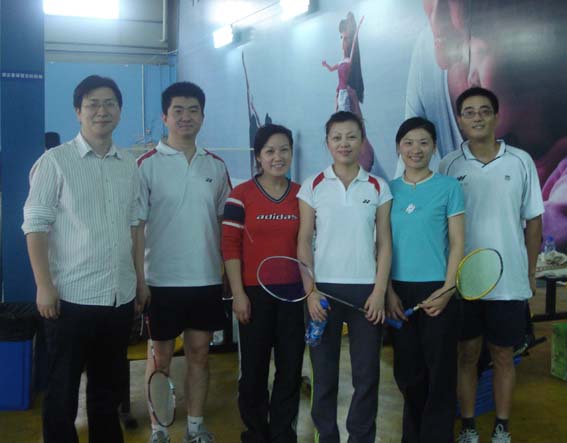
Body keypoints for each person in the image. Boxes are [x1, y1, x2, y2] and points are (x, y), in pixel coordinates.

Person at [22, 75, 142, 443]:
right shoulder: (54, 162)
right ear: (78, 111)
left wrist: (140, 280)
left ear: (119, 111)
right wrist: (44, 286)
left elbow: (134, 225)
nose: (101, 111)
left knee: (107, 391)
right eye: (92, 104)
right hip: (70, 299)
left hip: (118, 297)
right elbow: (35, 227)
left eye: (109, 103)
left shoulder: (129, 164)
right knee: (61, 393)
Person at [439, 87, 543, 443]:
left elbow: (533, 222)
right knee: (466, 354)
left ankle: (501, 427)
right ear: (459, 120)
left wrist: (529, 273)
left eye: (485, 110)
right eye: (469, 112)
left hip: (508, 282)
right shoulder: (449, 165)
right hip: (464, 282)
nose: (477, 117)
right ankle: (468, 426)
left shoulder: (521, 161)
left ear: (497, 117)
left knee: (503, 355)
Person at [136, 81, 231, 443]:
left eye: (193, 110)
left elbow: (224, 223)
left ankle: (195, 427)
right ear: (165, 117)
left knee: (200, 354)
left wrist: (225, 271)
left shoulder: (216, 166)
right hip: (160, 281)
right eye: (178, 110)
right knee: (159, 358)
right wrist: (140, 279)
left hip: (205, 279)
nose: (186, 117)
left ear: (203, 116)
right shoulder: (146, 165)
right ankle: (159, 429)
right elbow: (136, 228)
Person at [297, 111, 392, 443]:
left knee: (367, 376)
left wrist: (379, 292)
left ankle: (361, 438)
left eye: (351, 136)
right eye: (337, 137)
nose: (344, 143)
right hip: (322, 294)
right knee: (324, 376)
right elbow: (303, 241)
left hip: (367, 294)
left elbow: (384, 243)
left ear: (362, 141)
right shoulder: (313, 186)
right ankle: (326, 436)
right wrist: (310, 291)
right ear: (327, 143)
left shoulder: (378, 187)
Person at [222, 124, 304, 443]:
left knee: (290, 367)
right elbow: (230, 246)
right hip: (254, 295)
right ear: (258, 156)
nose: (277, 157)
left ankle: (283, 432)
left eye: (284, 149)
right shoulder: (240, 195)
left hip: (293, 295)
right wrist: (238, 294)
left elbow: (309, 244)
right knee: (254, 370)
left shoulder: (302, 195)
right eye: (270, 151)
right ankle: (255, 432)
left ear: (291, 153)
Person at [387, 117, 465, 442]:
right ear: (398, 148)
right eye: (408, 142)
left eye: (423, 142)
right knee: (408, 371)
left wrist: (448, 289)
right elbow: (380, 246)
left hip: (438, 289)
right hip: (397, 291)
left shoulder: (449, 187)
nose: (415, 149)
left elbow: (458, 242)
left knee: (440, 371)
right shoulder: (387, 190)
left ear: (434, 147)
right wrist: (387, 291)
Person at [321, 12, 376, 173]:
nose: (343, 43)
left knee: (350, 120)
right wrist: (326, 65)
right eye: (341, 38)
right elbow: (331, 68)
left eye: (346, 38)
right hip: (341, 93)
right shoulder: (341, 62)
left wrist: (358, 28)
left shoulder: (349, 60)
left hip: (347, 94)